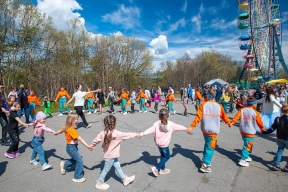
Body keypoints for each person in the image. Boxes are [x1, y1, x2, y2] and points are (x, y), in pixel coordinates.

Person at [186, 89, 230, 173]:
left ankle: (204, 160)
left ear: (208, 96)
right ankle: (205, 164)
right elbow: (224, 116)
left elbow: (198, 117)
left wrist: (192, 126)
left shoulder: (203, 105)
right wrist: (229, 123)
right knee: (210, 147)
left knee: (207, 144)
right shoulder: (219, 106)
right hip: (213, 131)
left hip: (205, 130)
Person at [90, 115, 136, 190]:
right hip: (111, 156)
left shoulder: (103, 132)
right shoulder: (118, 133)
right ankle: (99, 182)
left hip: (110, 155)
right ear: (115, 123)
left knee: (117, 166)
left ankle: (124, 179)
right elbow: (128, 135)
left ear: (105, 123)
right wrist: (136, 134)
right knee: (106, 169)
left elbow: (96, 139)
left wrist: (92, 145)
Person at [137, 108, 187, 176]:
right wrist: (186, 128)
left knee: (162, 156)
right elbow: (179, 127)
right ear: (168, 115)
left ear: (159, 116)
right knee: (167, 156)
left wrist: (142, 134)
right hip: (165, 145)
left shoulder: (156, 124)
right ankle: (156, 167)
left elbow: (149, 130)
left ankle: (163, 169)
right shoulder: (171, 124)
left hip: (158, 144)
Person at [54, 112, 93, 183]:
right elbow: (80, 139)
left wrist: (55, 133)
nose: (77, 120)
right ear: (71, 120)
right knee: (80, 160)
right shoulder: (71, 130)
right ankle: (77, 177)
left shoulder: (67, 127)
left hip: (71, 147)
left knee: (76, 159)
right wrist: (88, 146)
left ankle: (64, 165)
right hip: (71, 148)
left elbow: (61, 130)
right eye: (76, 119)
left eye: (77, 119)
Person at [230, 97, 265, 167]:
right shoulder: (256, 113)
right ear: (254, 104)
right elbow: (260, 122)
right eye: (256, 103)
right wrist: (262, 129)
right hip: (250, 131)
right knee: (247, 145)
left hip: (243, 130)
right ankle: (243, 159)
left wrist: (232, 122)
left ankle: (246, 156)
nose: (256, 105)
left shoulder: (242, 110)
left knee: (247, 143)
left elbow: (236, 117)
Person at [263, 104, 288, 171]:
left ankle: (277, 165)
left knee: (280, 151)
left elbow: (272, 128)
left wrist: (265, 132)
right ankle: (287, 167)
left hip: (280, 138)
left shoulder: (278, 119)